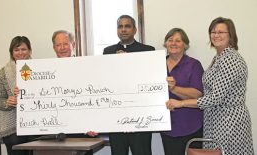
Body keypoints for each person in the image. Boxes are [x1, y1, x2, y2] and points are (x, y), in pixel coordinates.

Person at [166, 17, 254, 155]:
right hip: (216, 121)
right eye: (213, 32)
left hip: (229, 121)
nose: (216, 35)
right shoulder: (219, 58)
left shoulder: (230, 59)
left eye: (221, 32)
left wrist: (181, 103)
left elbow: (215, 98)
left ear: (230, 35)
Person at [103, 15, 155, 155]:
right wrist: (116, 63)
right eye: (120, 26)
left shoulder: (148, 51)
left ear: (135, 29)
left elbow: (150, 80)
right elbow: (105, 81)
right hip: (116, 118)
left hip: (141, 118)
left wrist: (130, 62)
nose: (124, 29)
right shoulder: (108, 52)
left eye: (127, 26)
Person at [52, 30, 96, 155]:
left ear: (73, 44)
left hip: (83, 130)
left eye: (65, 44)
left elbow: (95, 96)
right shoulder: (45, 70)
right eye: (58, 45)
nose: (62, 48)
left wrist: (94, 123)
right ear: (54, 47)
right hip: (56, 131)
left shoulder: (87, 67)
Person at [160, 28, 204, 155]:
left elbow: (198, 94)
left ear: (185, 45)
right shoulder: (157, 65)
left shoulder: (193, 65)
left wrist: (174, 88)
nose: (173, 43)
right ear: (165, 44)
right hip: (166, 127)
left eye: (178, 40)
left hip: (190, 126)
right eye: (170, 40)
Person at [0, 36, 34, 155]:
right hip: (12, 128)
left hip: (36, 127)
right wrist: (7, 102)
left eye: (24, 49)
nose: (20, 53)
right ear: (11, 53)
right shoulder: (3, 73)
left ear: (30, 51)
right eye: (16, 50)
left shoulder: (41, 69)